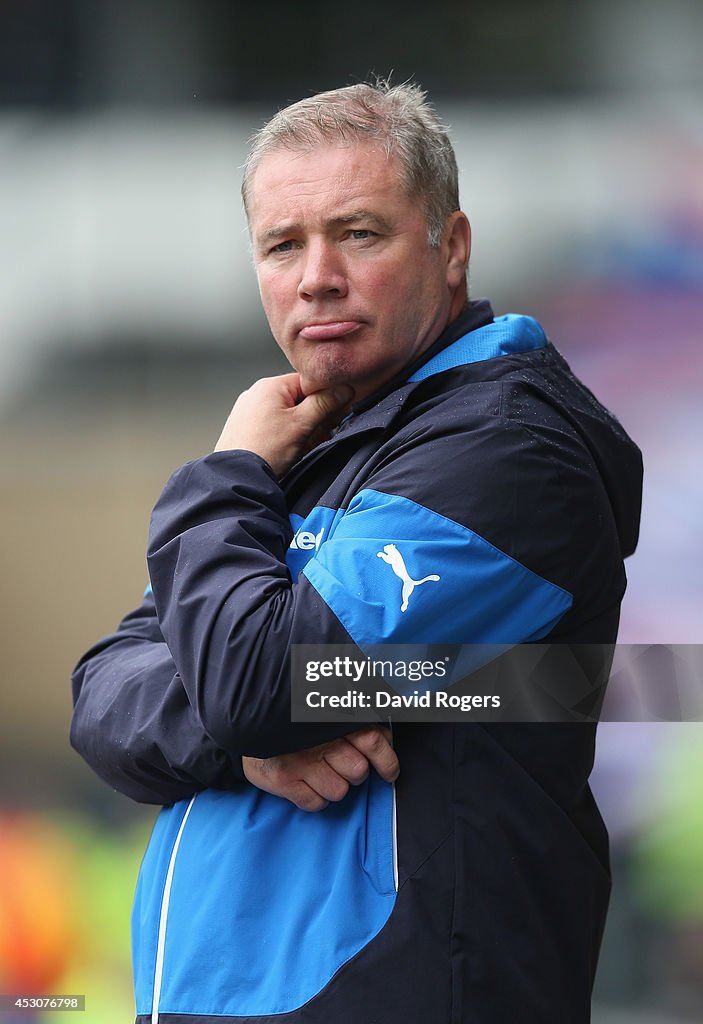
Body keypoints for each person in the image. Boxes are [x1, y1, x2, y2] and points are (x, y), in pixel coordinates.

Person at [71, 80, 643, 1024]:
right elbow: (104, 692)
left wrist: (226, 472)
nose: (316, 276)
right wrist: (245, 742)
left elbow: (260, 680)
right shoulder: (307, 448)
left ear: (449, 247)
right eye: (282, 244)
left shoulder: (506, 447)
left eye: (359, 233)